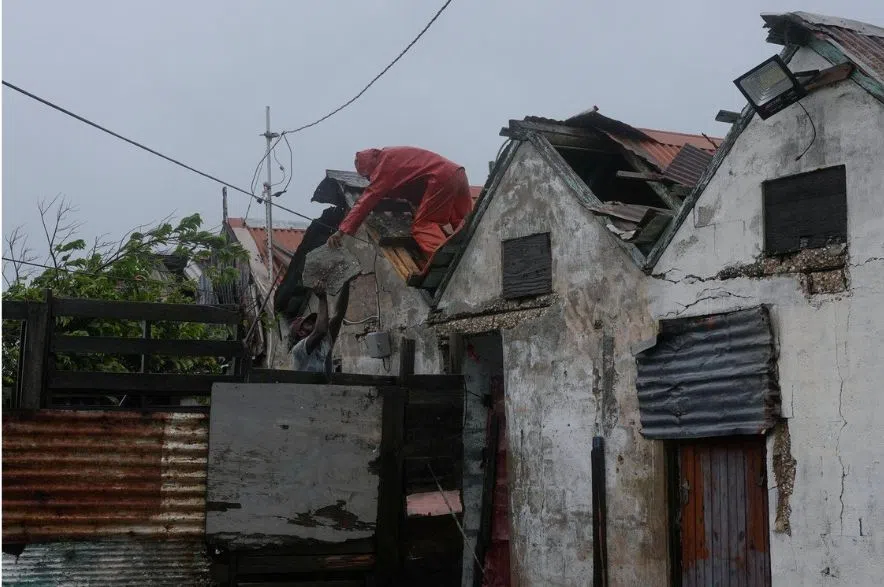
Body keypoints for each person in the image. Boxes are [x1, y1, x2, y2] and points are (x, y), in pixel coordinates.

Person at [327, 147, 473, 259]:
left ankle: (445, 259)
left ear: (369, 167)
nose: (369, 179)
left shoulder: (384, 166)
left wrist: (341, 232)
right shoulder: (394, 157)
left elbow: (366, 201)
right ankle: (475, 251)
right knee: (467, 223)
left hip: (441, 178)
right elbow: (411, 187)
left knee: (423, 225)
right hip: (458, 173)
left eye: (367, 175)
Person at [289, 279, 351, 374]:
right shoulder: (298, 351)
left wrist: (346, 282)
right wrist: (322, 298)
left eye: (315, 321)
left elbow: (338, 314)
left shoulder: (324, 343)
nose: (315, 323)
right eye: (310, 323)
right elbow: (321, 330)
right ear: (301, 332)